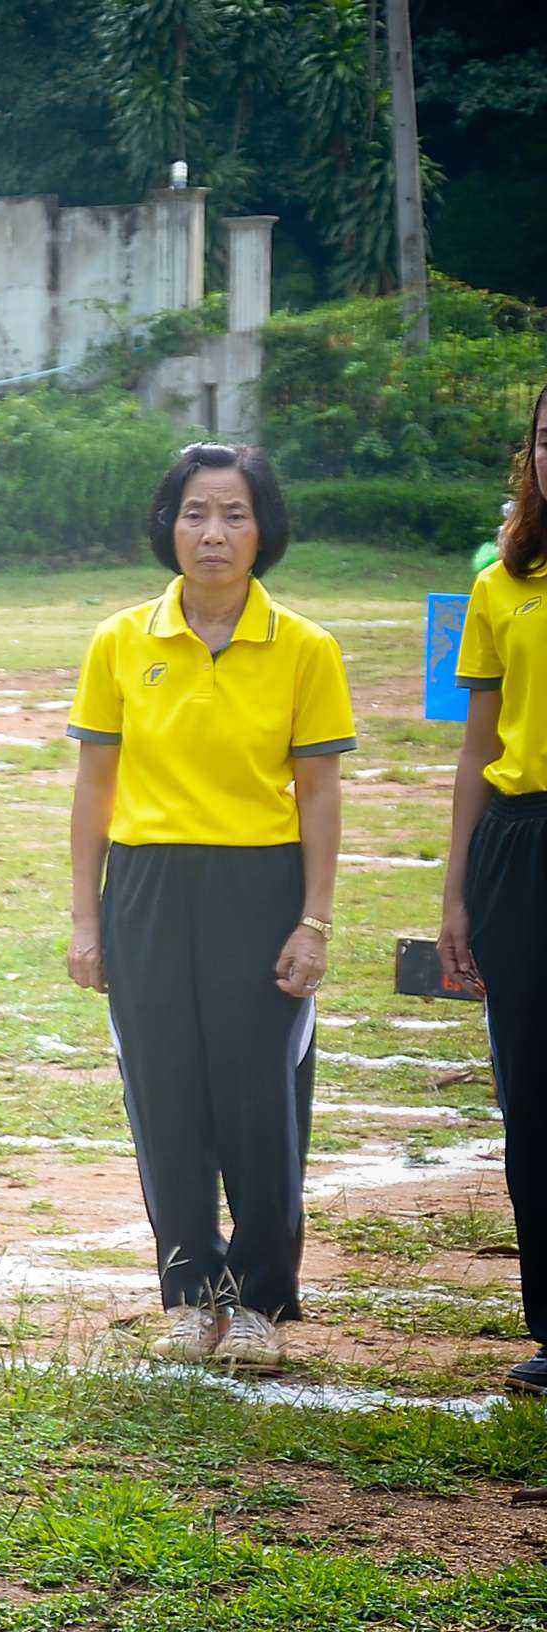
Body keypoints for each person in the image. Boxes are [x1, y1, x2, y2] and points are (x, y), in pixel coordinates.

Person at [66, 442, 353, 1373]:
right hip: (146, 888)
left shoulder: (305, 647)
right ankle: (190, 1295)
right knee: (164, 1096)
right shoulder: (120, 641)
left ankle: (262, 1299)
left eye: (235, 514)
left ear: (265, 529)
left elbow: (319, 793)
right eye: (195, 513)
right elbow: (94, 788)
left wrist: (314, 919)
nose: (214, 533)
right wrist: (86, 918)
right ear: (168, 525)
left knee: (260, 1097)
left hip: (259, 886)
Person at [439, 380, 547, 1398]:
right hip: (522, 842)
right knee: (532, 1094)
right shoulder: (500, 584)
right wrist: (457, 891)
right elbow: (477, 749)